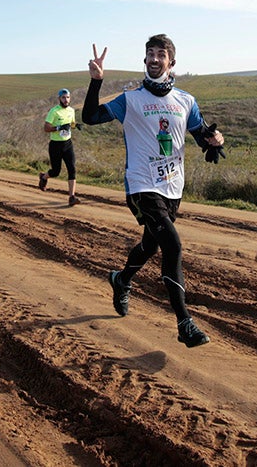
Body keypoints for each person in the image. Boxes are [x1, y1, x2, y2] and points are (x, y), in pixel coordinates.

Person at [82, 35, 225, 348]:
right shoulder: (130, 100)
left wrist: (215, 140)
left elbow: (202, 135)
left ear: (171, 62)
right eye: (150, 53)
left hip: (173, 186)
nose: (155, 58)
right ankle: (184, 322)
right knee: (172, 246)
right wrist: (96, 82)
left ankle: (122, 279)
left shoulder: (186, 101)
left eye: (161, 54)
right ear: (145, 60)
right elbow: (90, 117)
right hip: (141, 185)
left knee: (150, 245)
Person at [39, 88, 80, 206]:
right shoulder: (54, 111)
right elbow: (46, 128)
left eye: (67, 97)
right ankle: (43, 177)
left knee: (72, 169)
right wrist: (58, 128)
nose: (66, 100)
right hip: (55, 145)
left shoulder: (72, 110)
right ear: (59, 99)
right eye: (63, 97)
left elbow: (70, 124)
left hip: (68, 144)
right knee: (56, 171)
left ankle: (72, 197)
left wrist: (76, 125)